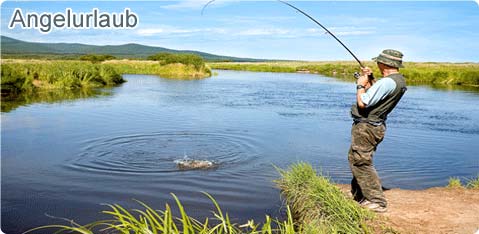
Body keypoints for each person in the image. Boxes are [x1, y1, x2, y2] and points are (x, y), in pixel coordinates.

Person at [348, 49, 407, 213]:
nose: (377, 64)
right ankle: (359, 194)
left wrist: (360, 84)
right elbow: (378, 94)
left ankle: (376, 201)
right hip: (375, 126)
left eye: (378, 62)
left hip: (367, 127)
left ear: (384, 63)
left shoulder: (387, 82)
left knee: (361, 161)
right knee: (357, 158)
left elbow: (363, 102)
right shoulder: (397, 80)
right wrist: (372, 78)